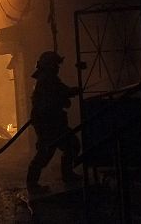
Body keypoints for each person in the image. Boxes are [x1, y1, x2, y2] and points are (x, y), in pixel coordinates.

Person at [26, 50, 82, 195]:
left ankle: (67, 175)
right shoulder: (47, 80)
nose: (58, 67)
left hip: (54, 123)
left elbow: (60, 93)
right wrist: (72, 92)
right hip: (48, 124)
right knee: (45, 154)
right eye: (55, 64)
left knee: (71, 145)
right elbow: (60, 93)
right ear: (49, 65)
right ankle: (32, 184)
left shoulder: (48, 79)